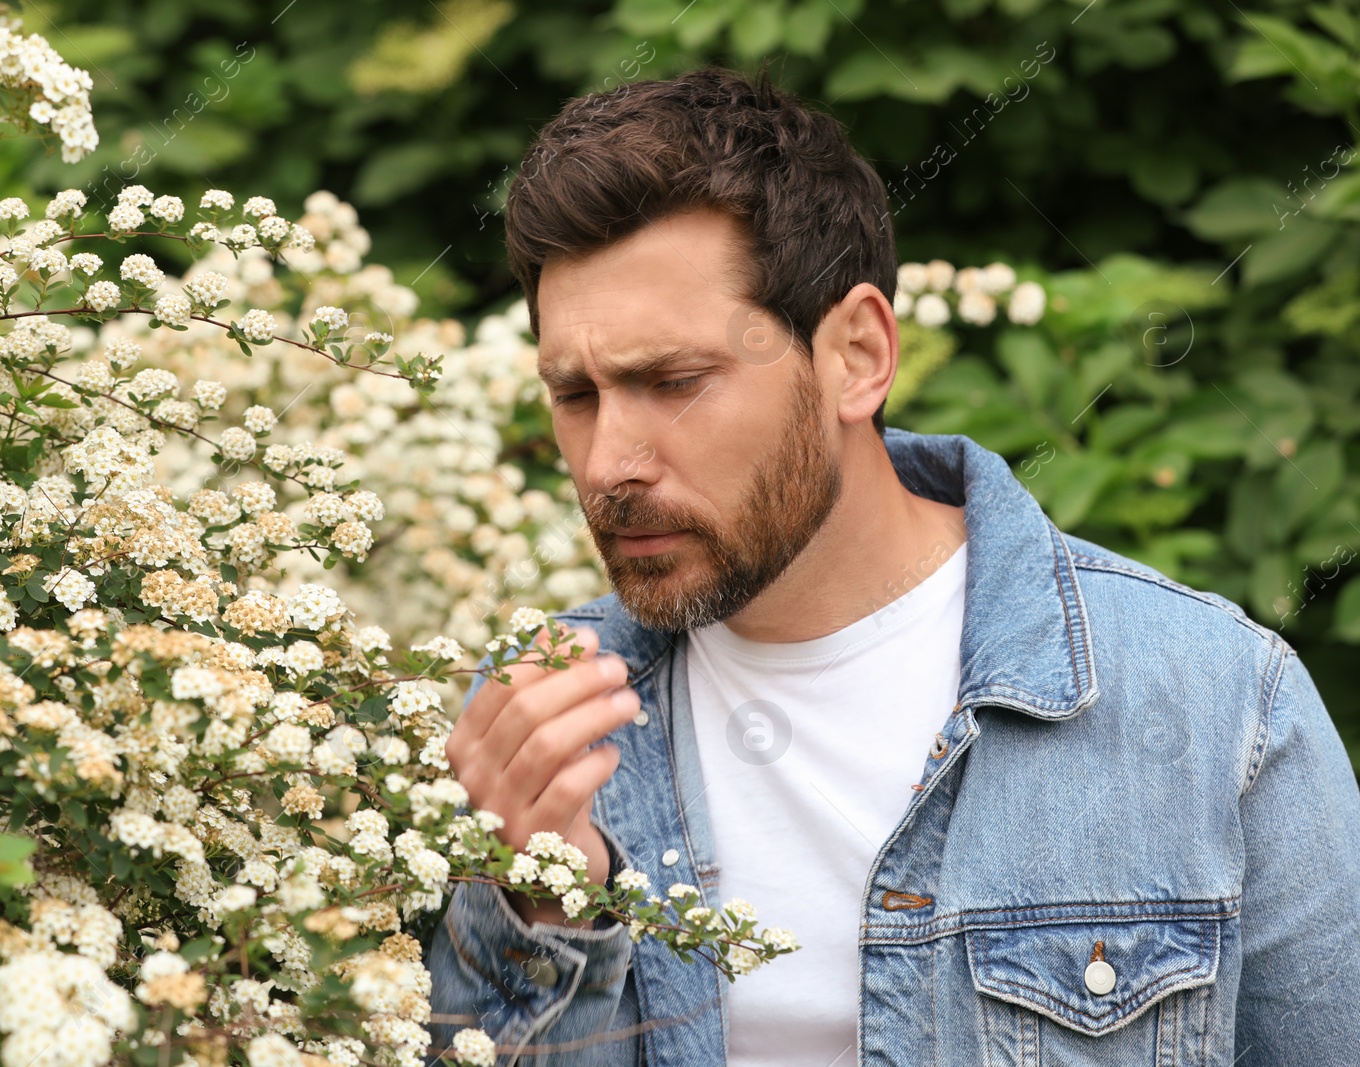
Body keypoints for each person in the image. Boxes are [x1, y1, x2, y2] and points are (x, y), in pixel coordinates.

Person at [426, 66, 1360, 1066]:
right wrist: (541, 908)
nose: (610, 460)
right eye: (575, 394)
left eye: (673, 381)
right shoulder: (535, 728)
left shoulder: (1217, 700)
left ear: (857, 355)